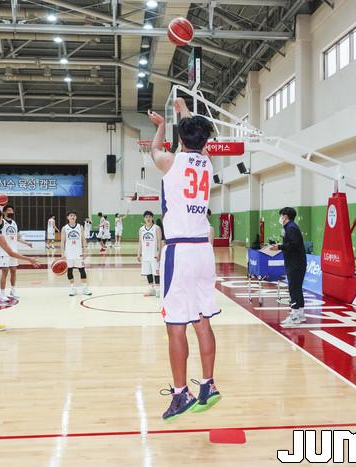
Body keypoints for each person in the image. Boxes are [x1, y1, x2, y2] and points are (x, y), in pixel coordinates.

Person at [147, 98, 221, 421]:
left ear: (179, 138)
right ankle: (208, 384)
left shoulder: (169, 161)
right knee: (202, 320)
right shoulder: (208, 163)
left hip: (179, 252)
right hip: (204, 250)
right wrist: (184, 111)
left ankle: (181, 394)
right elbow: (195, 138)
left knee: (175, 327)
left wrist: (162, 126)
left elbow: (154, 149)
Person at [270, 207, 307, 326]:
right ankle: (300, 314)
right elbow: (289, 243)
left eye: (281, 215)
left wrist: (279, 247)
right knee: (297, 288)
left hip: (295, 263)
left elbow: (293, 245)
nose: (280, 217)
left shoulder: (291, 228)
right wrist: (280, 245)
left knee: (294, 288)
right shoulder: (288, 227)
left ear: (285, 216)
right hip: (295, 262)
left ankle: (294, 316)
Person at [0, 205, 33, 303]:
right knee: (5, 271)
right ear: (4, 212)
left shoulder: (14, 223)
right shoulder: (1, 222)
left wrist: (27, 243)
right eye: (9, 210)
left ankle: (13, 290)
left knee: (13, 271)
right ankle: (2, 294)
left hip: (14, 251)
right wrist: (0, 207)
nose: (11, 212)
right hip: (4, 251)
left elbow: (17, 237)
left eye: (12, 210)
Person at [61, 211, 92, 296]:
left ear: (76, 217)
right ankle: (72, 289)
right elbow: (62, 242)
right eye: (71, 215)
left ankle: (85, 288)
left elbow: (83, 239)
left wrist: (85, 250)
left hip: (79, 253)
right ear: (68, 217)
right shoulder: (64, 228)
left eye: (74, 215)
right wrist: (62, 253)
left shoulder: (80, 227)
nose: (73, 217)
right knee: (69, 271)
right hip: (69, 254)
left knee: (82, 270)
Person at [137, 211, 162, 296]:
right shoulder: (141, 229)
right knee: (148, 272)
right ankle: (151, 288)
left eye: (149, 217)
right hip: (145, 255)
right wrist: (138, 253)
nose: (148, 218)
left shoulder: (157, 228)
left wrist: (159, 253)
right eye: (146, 217)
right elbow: (140, 242)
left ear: (152, 218)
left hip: (154, 254)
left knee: (156, 272)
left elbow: (159, 241)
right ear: (144, 219)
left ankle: (158, 289)